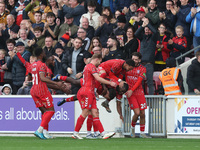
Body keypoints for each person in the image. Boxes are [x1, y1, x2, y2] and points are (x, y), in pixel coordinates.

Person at [72, 53, 117, 139]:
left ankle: (103, 133)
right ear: (97, 59)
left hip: (90, 92)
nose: (99, 63)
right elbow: (98, 78)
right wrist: (110, 82)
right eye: (100, 61)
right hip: (87, 92)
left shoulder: (87, 67)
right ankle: (75, 132)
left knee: (95, 113)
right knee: (85, 112)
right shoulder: (91, 66)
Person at [29, 48, 65, 139]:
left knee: (44, 112)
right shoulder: (42, 65)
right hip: (42, 90)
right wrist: (57, 83)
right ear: (41, 54)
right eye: (44, 52)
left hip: (33, 90)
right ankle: (39, 130)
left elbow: (32, 77)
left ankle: (45, 132)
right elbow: (42, 78)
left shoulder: (33, 65)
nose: (45, 54)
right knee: (51, 111)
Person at [125, 52, 150, 138]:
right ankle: (132, 129)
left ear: (139, 60)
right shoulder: (127, 67)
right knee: (137, 112)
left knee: (142, 113)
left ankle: (142, 133)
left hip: (139, 92)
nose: (134, 61)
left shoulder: (143, 69)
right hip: (130, 93)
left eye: (136, 59)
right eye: (133, 59)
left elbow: (139, 81)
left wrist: (132, 90)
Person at [134, 18, 157, 95]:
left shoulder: (153, 38)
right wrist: (142, 26)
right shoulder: (142, 38)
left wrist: (148, 24)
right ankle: (142, 97)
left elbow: (155, 32)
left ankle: (151, 99)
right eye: (146, 29)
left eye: (148, 29)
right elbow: (136, 34)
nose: (147, 30)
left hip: (149, 64)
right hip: (141, 64)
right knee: (140, 82)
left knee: (150, 82)